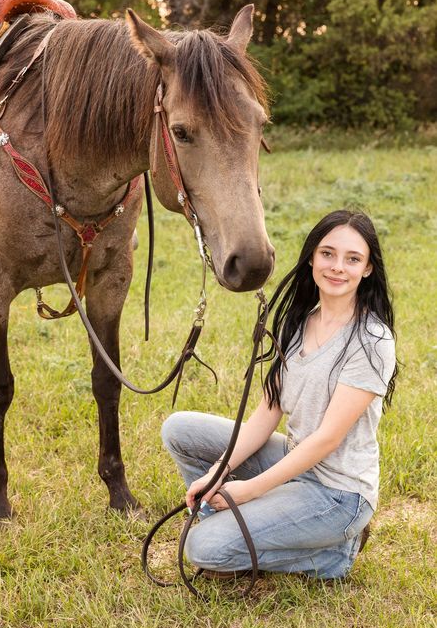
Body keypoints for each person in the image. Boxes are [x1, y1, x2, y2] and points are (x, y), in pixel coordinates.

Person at [162, 209, 397, 580]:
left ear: (367, 269)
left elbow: (326, 439)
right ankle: (236, 523)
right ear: (312, 258)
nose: (338, 267)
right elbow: (266, 412)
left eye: (353, 259)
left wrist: (249, 491)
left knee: (203, 548)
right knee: (180, 429)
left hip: (337, 494)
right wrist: (216, 473)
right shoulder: (300, 321)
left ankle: (335, 554)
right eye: (327, 254)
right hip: (293, 461)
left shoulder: (372, 340)